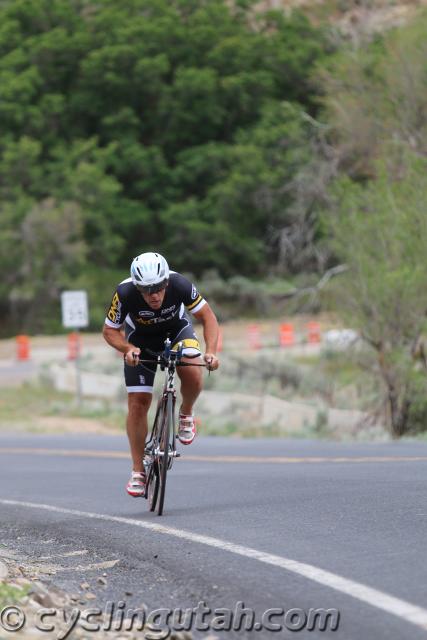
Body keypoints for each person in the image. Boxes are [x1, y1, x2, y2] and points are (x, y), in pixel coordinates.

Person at [103, 252, 220, 497]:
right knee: (137, 404)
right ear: (137, 287)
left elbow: (207, 317)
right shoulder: (124, 293)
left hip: (177, 331)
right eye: (146, 290)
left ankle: (186, 413)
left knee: (191, 363)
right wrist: (127, 348)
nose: (153, 295)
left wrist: (210, 352)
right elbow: (109, 331)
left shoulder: (180, 284)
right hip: (140, 342)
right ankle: (138, 471)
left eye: (158, 288)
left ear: (166, 281)